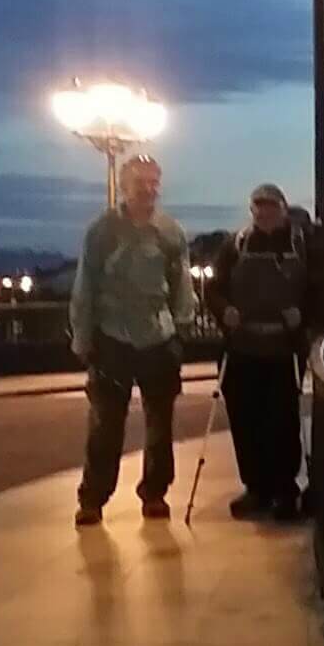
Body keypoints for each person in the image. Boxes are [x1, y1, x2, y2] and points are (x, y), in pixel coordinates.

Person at [71, 154, 196, 526]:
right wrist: (82, 336)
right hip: (112, 338)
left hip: (158, 337)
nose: (148, 188)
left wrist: (181, 328)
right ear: (125, 185)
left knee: (161, 424)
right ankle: (93, 498)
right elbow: (85, 285)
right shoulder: (102, 230)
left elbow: (182, 284)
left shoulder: (170, 231)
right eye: (140, 181)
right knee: (105, 424)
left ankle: (155, 492)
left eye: (154, 181)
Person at [206, 184, 311, 519]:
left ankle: (284, 489)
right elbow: (214, 287)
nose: (264, 212)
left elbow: (318, 289)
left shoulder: (300, 244)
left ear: (283, 208)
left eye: (271, 206)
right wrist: (224, 311)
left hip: (281, 350)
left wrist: (301, 313)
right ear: (251, 210)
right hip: (242, 350)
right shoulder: (235, 245)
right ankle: (256, 488)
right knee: (245, 422)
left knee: (281, 422)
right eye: (258, 207)